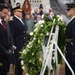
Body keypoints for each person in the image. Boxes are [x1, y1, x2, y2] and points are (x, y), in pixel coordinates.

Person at [9, 6, 28, 75]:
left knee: (23, 62)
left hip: (24, 43)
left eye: (21, 12)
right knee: (18, 63)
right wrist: (12, 44)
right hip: (17, 44)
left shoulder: (23, 20)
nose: (21, 13)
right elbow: (11, 34)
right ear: (15, 12)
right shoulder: (12, 21)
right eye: (19, 12)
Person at [0, 4, 14, 75]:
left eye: (7, 13)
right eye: (4, 13)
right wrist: (5, 51)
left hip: (6, 56)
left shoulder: (5, 23)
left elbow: (10, 36)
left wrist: (11, 47)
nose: (6, 15)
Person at [65, 2, 75, 75]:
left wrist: (74, 53)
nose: (66, 11)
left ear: (74, 10)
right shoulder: (72, 21)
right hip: (69, 50)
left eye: (68, 9)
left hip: (72, 51)